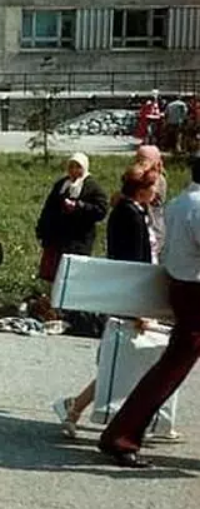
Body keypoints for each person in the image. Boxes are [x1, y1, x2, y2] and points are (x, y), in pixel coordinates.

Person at [98, 156, 200, 469]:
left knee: (170, 367)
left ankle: (122, 434)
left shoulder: (181, 202)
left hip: (183, 286)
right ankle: (121, 435)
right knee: (170, 367)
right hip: (197, 288)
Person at [53, 166, 159, 439]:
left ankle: (75, 407)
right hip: (130, 297)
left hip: (131, 296)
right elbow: (134, 264)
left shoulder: (134, 210)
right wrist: (141, 308)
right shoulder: (129, 215)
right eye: (153, 185)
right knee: (122, 362)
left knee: (123, 362)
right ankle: (78, 408)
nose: (157, 190)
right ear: (141, 189)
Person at [36, 153, 109, 283]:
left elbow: (101, 210)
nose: (74, 170)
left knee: (73, 275)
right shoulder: (62, 184)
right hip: (57, 239)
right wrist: (42, 229)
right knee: (54, 274)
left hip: (78, 240)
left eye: (78, 167)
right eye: (71, 166)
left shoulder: (92, 187)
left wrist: (79, 206)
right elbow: (49, 208)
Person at [134, 145, 167, 261]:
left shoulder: (159, 179)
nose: (140, 162)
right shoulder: (135, 176)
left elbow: (153, 199)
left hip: (153, 223)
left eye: (144, 159)